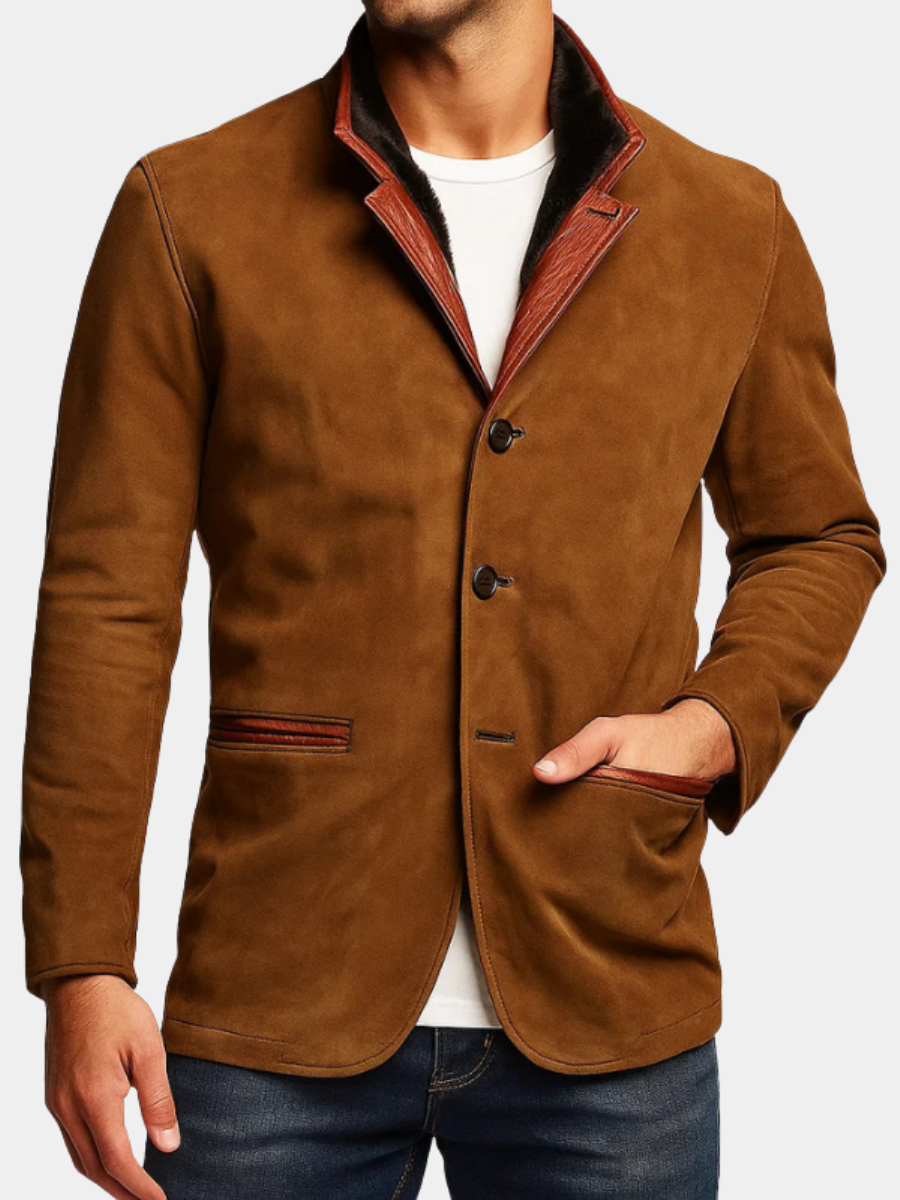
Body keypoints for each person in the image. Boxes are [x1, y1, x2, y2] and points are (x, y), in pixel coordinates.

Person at [22, 1, 885, 1197]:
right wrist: (81, 964)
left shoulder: (730, 221)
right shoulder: (190, 208)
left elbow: (817, 534)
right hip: (277, 994)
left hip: (612, 982)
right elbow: (107, 597)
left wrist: (716, 725)